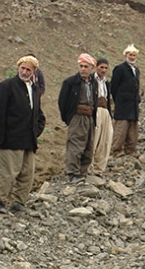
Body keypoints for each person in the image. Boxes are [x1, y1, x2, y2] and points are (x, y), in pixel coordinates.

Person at [0, 55, 46, 213]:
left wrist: (36, 132)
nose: (24, 72)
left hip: (29, 140)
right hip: (10, 138)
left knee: (27, 174)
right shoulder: (7, 86)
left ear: (34, 72)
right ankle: (0, 203)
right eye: (22, 68)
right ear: (18, 68)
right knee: (8, 173)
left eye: (28, 69)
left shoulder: (35, 89)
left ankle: (19, 203)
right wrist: (0, 137)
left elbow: (38, 115)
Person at [58, 53, 98, 183]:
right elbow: (62, 102)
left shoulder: (93, 83)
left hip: (89, 117)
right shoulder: (70, 82)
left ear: (91, 68)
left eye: (86, 66)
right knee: (75, 144)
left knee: (88, 145)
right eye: (81, 66)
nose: (83, 69)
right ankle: (73, 173)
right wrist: (68, 118)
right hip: (77, 116)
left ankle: (83, 172)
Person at [110, 44, 141, 158]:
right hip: (123, 104)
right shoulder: (120, 69)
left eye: (134, 55)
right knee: (121, 128)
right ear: (125, 55)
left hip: (133, 104)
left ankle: (130, 150)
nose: (132, 57)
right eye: (130, 55)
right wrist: (118, 99)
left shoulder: (136, 70)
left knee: (133, 129)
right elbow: (114, 86)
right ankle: (116, 150)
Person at [89, 57, 113, 176]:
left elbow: (108, 99)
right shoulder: (90, 81)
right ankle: (88, 166)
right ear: (96, 67)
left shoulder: (106, 83)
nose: (103, 70)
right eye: (101, 67)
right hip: (95, 110)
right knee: (94, 139)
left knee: (105, 140)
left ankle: (99, 169)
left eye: (105, 68)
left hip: (105, 111)